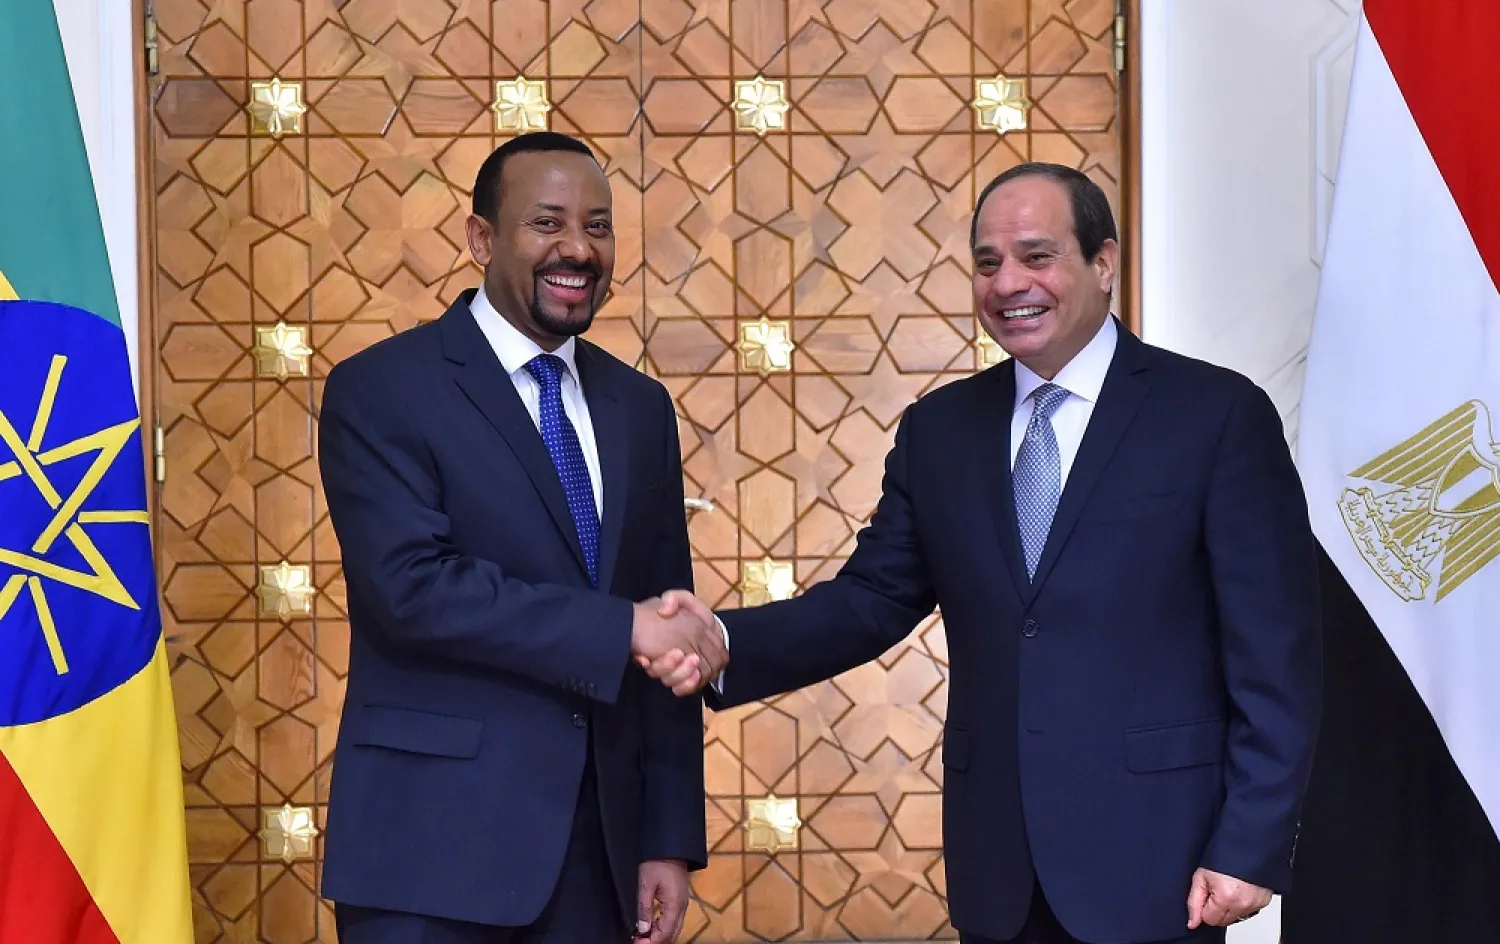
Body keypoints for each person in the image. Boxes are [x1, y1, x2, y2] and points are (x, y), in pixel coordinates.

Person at [648, 163, 1322, 944]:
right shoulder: (940, 431)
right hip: (999, 868)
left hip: (1160, 864)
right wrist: (723, 642)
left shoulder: (1215, 415)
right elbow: (872, 599)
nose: (1008, 284)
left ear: (1103, 263)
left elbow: (1276, 656)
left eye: (1037, 257)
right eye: (987, 262)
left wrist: (1251, 845)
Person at [317, 131, 726, 944]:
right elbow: (412, 589)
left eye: (598, 225)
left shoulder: (638, 409)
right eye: (547, 223)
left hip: (599, 859)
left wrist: (667, 838)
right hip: (428, 855)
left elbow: (667, 636)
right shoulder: (381, 389)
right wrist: (626, 627)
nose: (578, 248)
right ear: (480, 238)